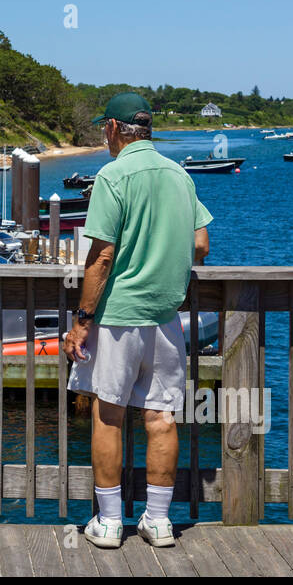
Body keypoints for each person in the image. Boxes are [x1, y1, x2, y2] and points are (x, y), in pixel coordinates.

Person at [62, 92, 212, 548]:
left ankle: (109, 524)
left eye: (102, 130)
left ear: (112, 128)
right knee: (162, 416)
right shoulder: (179, 174)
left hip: (118, 316)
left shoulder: (113, 175)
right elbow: (201, 244)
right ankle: (159, 522)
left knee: (108, 413)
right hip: (166, 317)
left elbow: (102, 254)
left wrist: (82, 320)